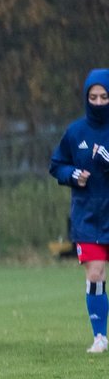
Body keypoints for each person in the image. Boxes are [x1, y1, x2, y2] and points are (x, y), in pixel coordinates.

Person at [50, 69, 109, 353]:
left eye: (104, 96)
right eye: (93, 97)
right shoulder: (75, 132)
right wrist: (72, 174)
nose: (98, 102)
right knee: (95, 274)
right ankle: (100, 336)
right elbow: (56, 165)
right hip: (87, 216)